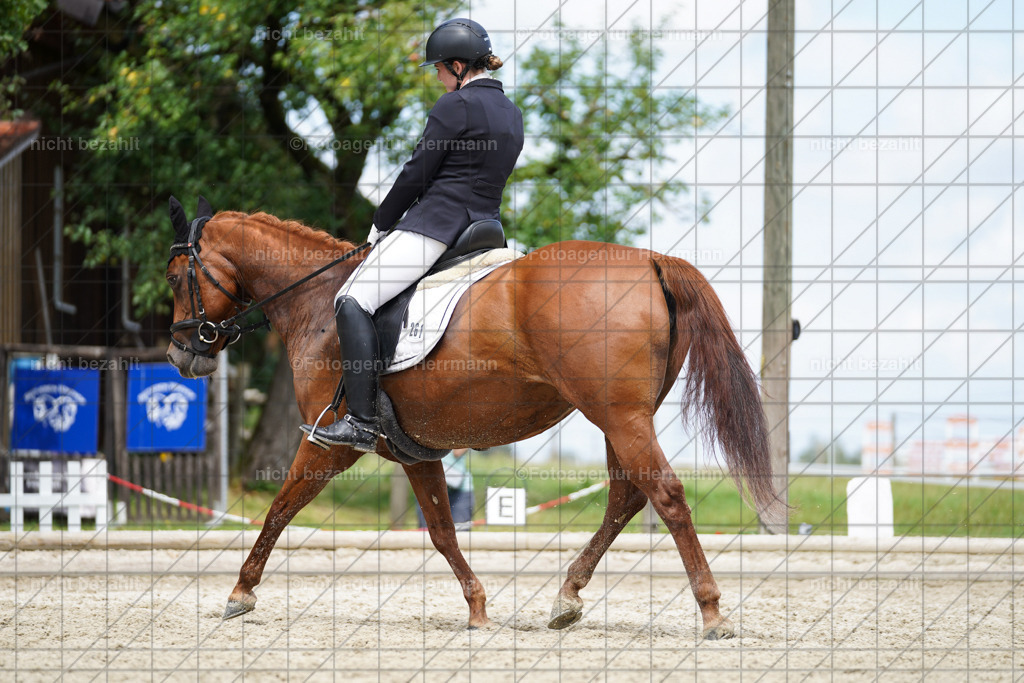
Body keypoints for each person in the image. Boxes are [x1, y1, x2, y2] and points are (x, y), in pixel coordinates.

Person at [301, 18, 525, 450]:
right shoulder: (511, 113)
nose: (438, 77)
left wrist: (383, 220)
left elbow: (417, 172)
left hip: (436, 225)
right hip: (485, 229)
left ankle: (362, 423)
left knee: (351, 300)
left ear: (459, 66)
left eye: (441, 68)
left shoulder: (453, 106)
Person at [416, 448, 475, 527]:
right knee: (427, 531)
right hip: (429, 487)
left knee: (460, 531)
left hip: (460, 490)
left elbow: (457, 452)